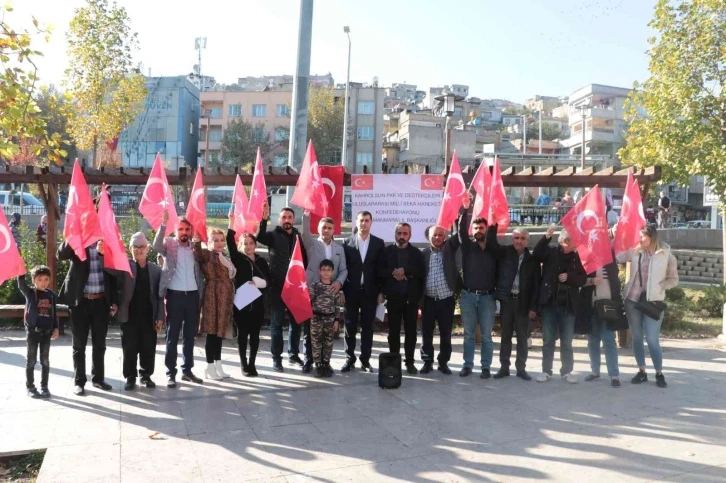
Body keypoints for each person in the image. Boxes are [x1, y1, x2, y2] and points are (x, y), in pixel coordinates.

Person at [617, 225, 678, 388]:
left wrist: (659, 287)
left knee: (652, 339)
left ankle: (659, 372)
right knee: (637, 337)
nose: (640, 239)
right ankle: (641, 371)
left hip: (653, 302)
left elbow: (674, 279)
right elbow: (619, 257)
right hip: (633, 299)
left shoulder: (665, 254)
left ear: (652, 237)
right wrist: (616, 237)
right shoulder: (636, 251)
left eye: (643, 237)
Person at [104, 233, 165, 391]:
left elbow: (160, 297)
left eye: (142, 247)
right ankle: (130, 377)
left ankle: (146, 375)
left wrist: (160, 317)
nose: (139, 250)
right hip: (129, 315)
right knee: (129, 347)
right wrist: (102, 252)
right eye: (135, 247)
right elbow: (107, 267)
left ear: (148, 249)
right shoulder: (125, 266)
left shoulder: (155, 270)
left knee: (148, 347)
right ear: (130, 249)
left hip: (149, 315)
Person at [58, 240, 118, 395]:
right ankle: (79, 382)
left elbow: (113, 273)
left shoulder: (106, 241)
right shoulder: (78, 239)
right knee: (79, 344)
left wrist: (114, 301)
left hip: (101, 301)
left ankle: (98, 379)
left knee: (100, 344)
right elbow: (61, 255)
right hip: (80, 301)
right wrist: (71, 236)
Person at [154, 211, 205, 387]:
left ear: (191, 231)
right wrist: (162, 225)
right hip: (174, 296)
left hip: (192, 296)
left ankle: (187, 370)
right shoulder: (169, 244)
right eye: (180, 229)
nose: (184, 232)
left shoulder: (195, 247)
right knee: (172, 336)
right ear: (175, 231)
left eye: (187, 229)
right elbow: (156, 247)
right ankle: (171, 373)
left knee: (190, 336)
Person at [532, 225, 586, 383]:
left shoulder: (578, 257)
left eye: (573, 240)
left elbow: (582, 278)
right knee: (548, 340)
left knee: (567, 341)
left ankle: (567, 371)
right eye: (569, 240)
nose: (572, 243)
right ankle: (546, 371)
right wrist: (546, 237)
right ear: (562, 240)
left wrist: (569, 276)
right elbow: (536, 254)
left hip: (568, 305)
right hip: (550, 304)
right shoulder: (551, 252)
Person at [256, 206, 307, 372]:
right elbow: (260, 237)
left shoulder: (298, 237)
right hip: (277, 288)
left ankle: (293, 354)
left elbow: (303, 259)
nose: (287, 220)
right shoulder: (273, 235)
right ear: (279, 220)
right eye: (284, 217)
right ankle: (276, 359)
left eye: (289, 217)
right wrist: (263, 220)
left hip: (295, 288)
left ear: (293, 219)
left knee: (296, 323)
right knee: (276, 324)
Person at [487, 227, 540, 381]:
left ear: (527, 241)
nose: (519, 241)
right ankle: (504, 367)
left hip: (523, 303)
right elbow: (491, 244)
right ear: (512, 239)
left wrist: (533, 308)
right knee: (506, 336)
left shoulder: (532, 260)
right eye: (516, 238)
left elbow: (536, 286)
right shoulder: (505, 253)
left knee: (522, 338)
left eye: (522, 238)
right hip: (507, 301)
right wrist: (493, 225)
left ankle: (521, 369)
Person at [300, 211, 347, 373]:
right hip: (312, 290)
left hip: (330, 291)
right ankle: (308, 360)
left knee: (326, 336)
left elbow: (344, 269)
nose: (326, 230)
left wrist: (339, 282)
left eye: (329, 228)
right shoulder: (312, 244)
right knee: (310, 331)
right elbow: (305, 232)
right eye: (324, 227)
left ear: (333, 230)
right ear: (319, 229)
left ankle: (324, 362)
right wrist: (306, 215)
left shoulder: (339, 249)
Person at [456, 207, 498, 379]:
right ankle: (467, 365)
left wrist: (494, 218)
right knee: (469, 334)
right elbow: (460, 231)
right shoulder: (467, 247)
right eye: (476, 228)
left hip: (488, 297)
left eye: (481, 228)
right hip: (468, 297)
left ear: (486, 229)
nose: (478, 231)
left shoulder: (493, 248)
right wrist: (464, 210)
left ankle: (486, 367)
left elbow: (494, 235)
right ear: (471, 231)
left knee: (487, 335)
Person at [378, 222, 425, 374]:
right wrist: (394, 272)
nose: (402, 237)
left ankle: (410, 362)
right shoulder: (386, 252)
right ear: (395, 235)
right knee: (393, 332)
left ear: (410, 235)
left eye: (405, 234)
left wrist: (405, 270)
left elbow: (421, 272)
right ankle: (394, 361)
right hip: (393, 298)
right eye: (399, 233)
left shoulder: (416, 253)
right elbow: (380, 272)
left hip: (411, 299)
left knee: (411, 332)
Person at [342, 211, 385, 373]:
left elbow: (380, 270)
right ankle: (349, 359)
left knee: (367, 328)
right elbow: (343, 268)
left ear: (371, 223)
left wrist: (381, 292)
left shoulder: (378, 243)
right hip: (350, 292)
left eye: (367, 220)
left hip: (370, 292)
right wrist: (341, 291)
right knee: (349, 327)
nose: (364, 223)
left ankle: (365, 360)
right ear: (356, 222)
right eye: (361, 220)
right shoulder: (347, 242)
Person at [226, 221, 269, 377]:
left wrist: (258, 284)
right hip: (242, 303)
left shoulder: (262, 262)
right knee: (243, 335)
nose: (248, 246)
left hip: (257, 304)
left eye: (251, 243)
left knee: (255, 336)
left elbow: (268, 282)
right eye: (245, 243)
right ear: (241, 245)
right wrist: (231, 224)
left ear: (255, 245)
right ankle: (243, 364)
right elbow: (229, 241)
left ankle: (252, 363)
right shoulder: (238, 259)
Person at [193, 227, 236, 381]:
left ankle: (218, 365)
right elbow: (197, 253)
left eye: (221, 240)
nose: (219, 243)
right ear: (210, 242)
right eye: (215, 240)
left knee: (220, 333)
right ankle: (209, 366)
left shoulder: (224, 255)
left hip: (225, 299)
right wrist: (197, 240)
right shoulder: (207, 254)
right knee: (212, 333)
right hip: (213, 296)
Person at [581, 251, 627, 388]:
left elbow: (617, 281)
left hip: (608, 307)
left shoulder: (610, 258)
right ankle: (595, 371)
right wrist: (590, 281)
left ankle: (614, 374)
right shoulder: (586, 258)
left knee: (609, 340)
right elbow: (578, 280)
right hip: (591, 307)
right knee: (592, 340)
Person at [420, 225, 461, 375]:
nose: (437, 238)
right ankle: (427, 362)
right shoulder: (423, 254)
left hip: (446, 300)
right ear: (428, 237)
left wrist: (460, 213)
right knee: (426, 334)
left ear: (445, 237)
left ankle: (443, 362)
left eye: (440, 235)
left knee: (445, 333)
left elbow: (458, 236)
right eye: (434, 235)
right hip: (429, 300)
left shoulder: (449, 251)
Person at [18, 266, 59, 398]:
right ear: (33, 280)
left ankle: (44, 386)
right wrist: (21, 270)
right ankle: (30, 387)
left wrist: (56, 328)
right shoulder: (30, 293)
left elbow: (54, 313)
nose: (43, 282)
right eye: (39, 279)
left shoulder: (51, 295)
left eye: (46, 279)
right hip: (33, 333)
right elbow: (21, 284)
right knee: (31, 361)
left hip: (46, 333)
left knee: (45, 361)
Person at [309, 259, 343, 377]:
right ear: (319, 272)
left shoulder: (334, 287)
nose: (326, 272)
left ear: (333, 272)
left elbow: (337, 305)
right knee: (316, 342)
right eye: (324, 270)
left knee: (328, 342)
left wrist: (337, 320)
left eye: (329, 270)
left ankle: (326, 364)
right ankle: (318, 364)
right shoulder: (315, 286)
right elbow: (309, 300)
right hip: (316, 318)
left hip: (330, 319)